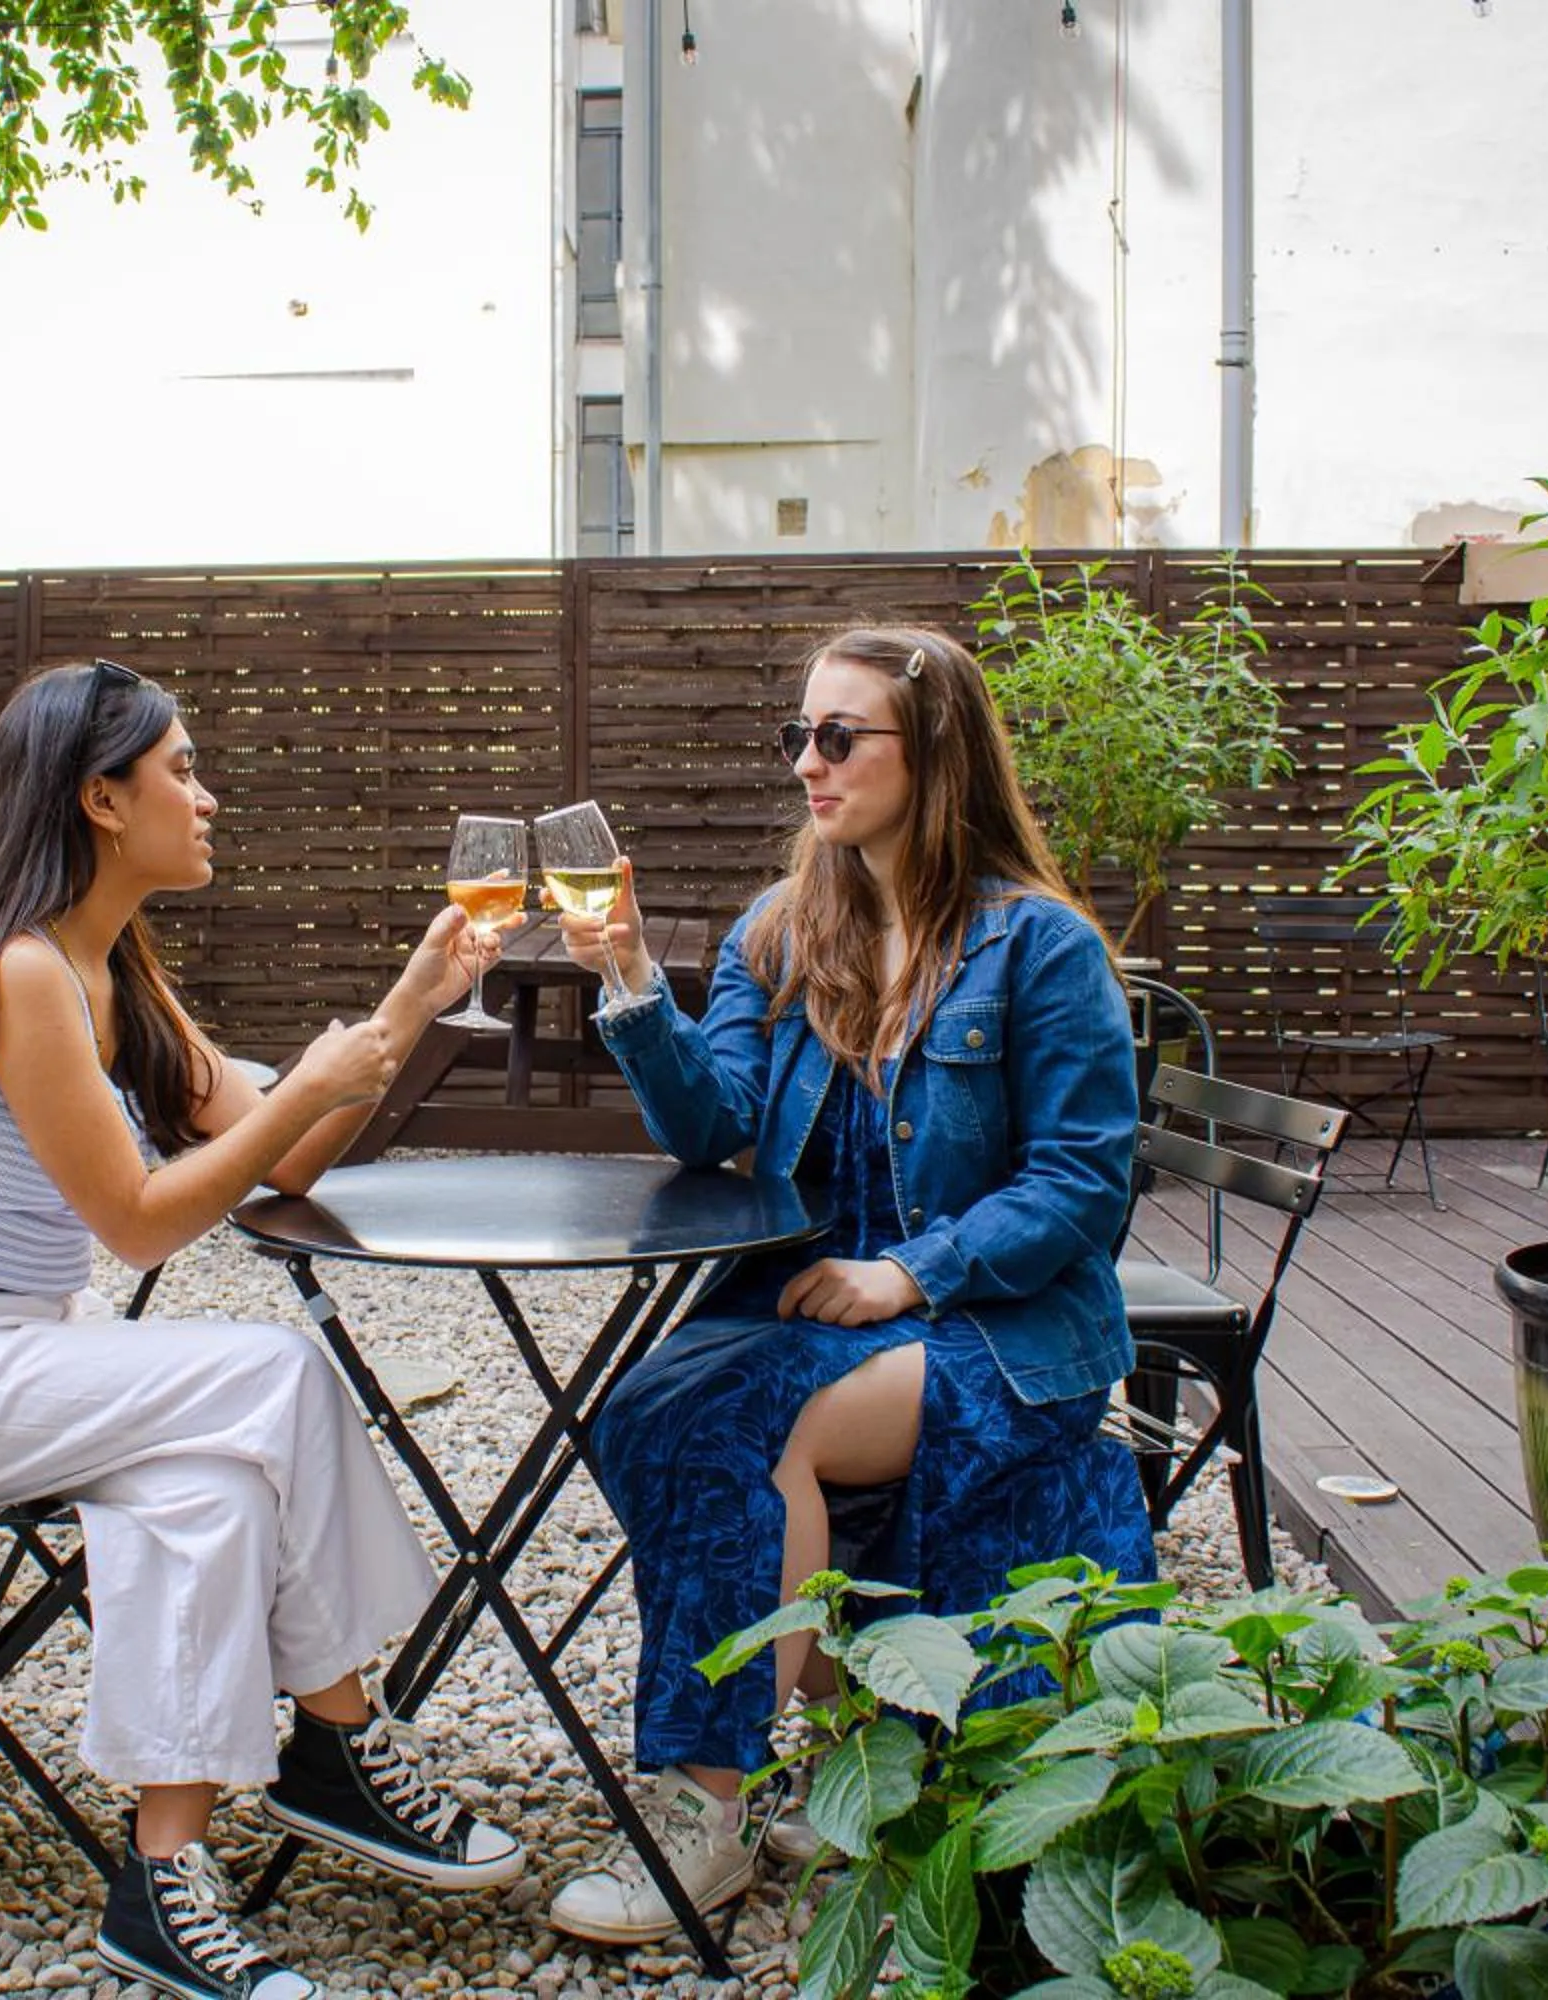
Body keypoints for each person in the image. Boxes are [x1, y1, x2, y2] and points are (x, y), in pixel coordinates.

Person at [0, 659, 525, 2000]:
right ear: (98, 797)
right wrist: (300, 1086)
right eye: (181, 769)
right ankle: (344, 1736)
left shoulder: (110, 962)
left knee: (200, 1488)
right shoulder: (21, 972)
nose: (207, 795)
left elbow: (290, 1166)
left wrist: (405, 1014)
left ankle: (163, 1883)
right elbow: (139, 1225)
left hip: (21, 1350)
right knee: (269, 1370)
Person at [543, 625, 1156, 1944]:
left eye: (839, 737)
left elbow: (1083, 1185)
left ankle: (711, 1815)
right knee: (644, 1409)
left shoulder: (1038, 949)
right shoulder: (785, 928)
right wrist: (633, 979)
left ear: (931, 753)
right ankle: (830, 1749)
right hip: (822, 1304)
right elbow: (714, 1128)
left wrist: (907, 1273)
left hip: (999, 1329)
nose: (809, 766)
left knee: (731, 1425)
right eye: (797, 739)